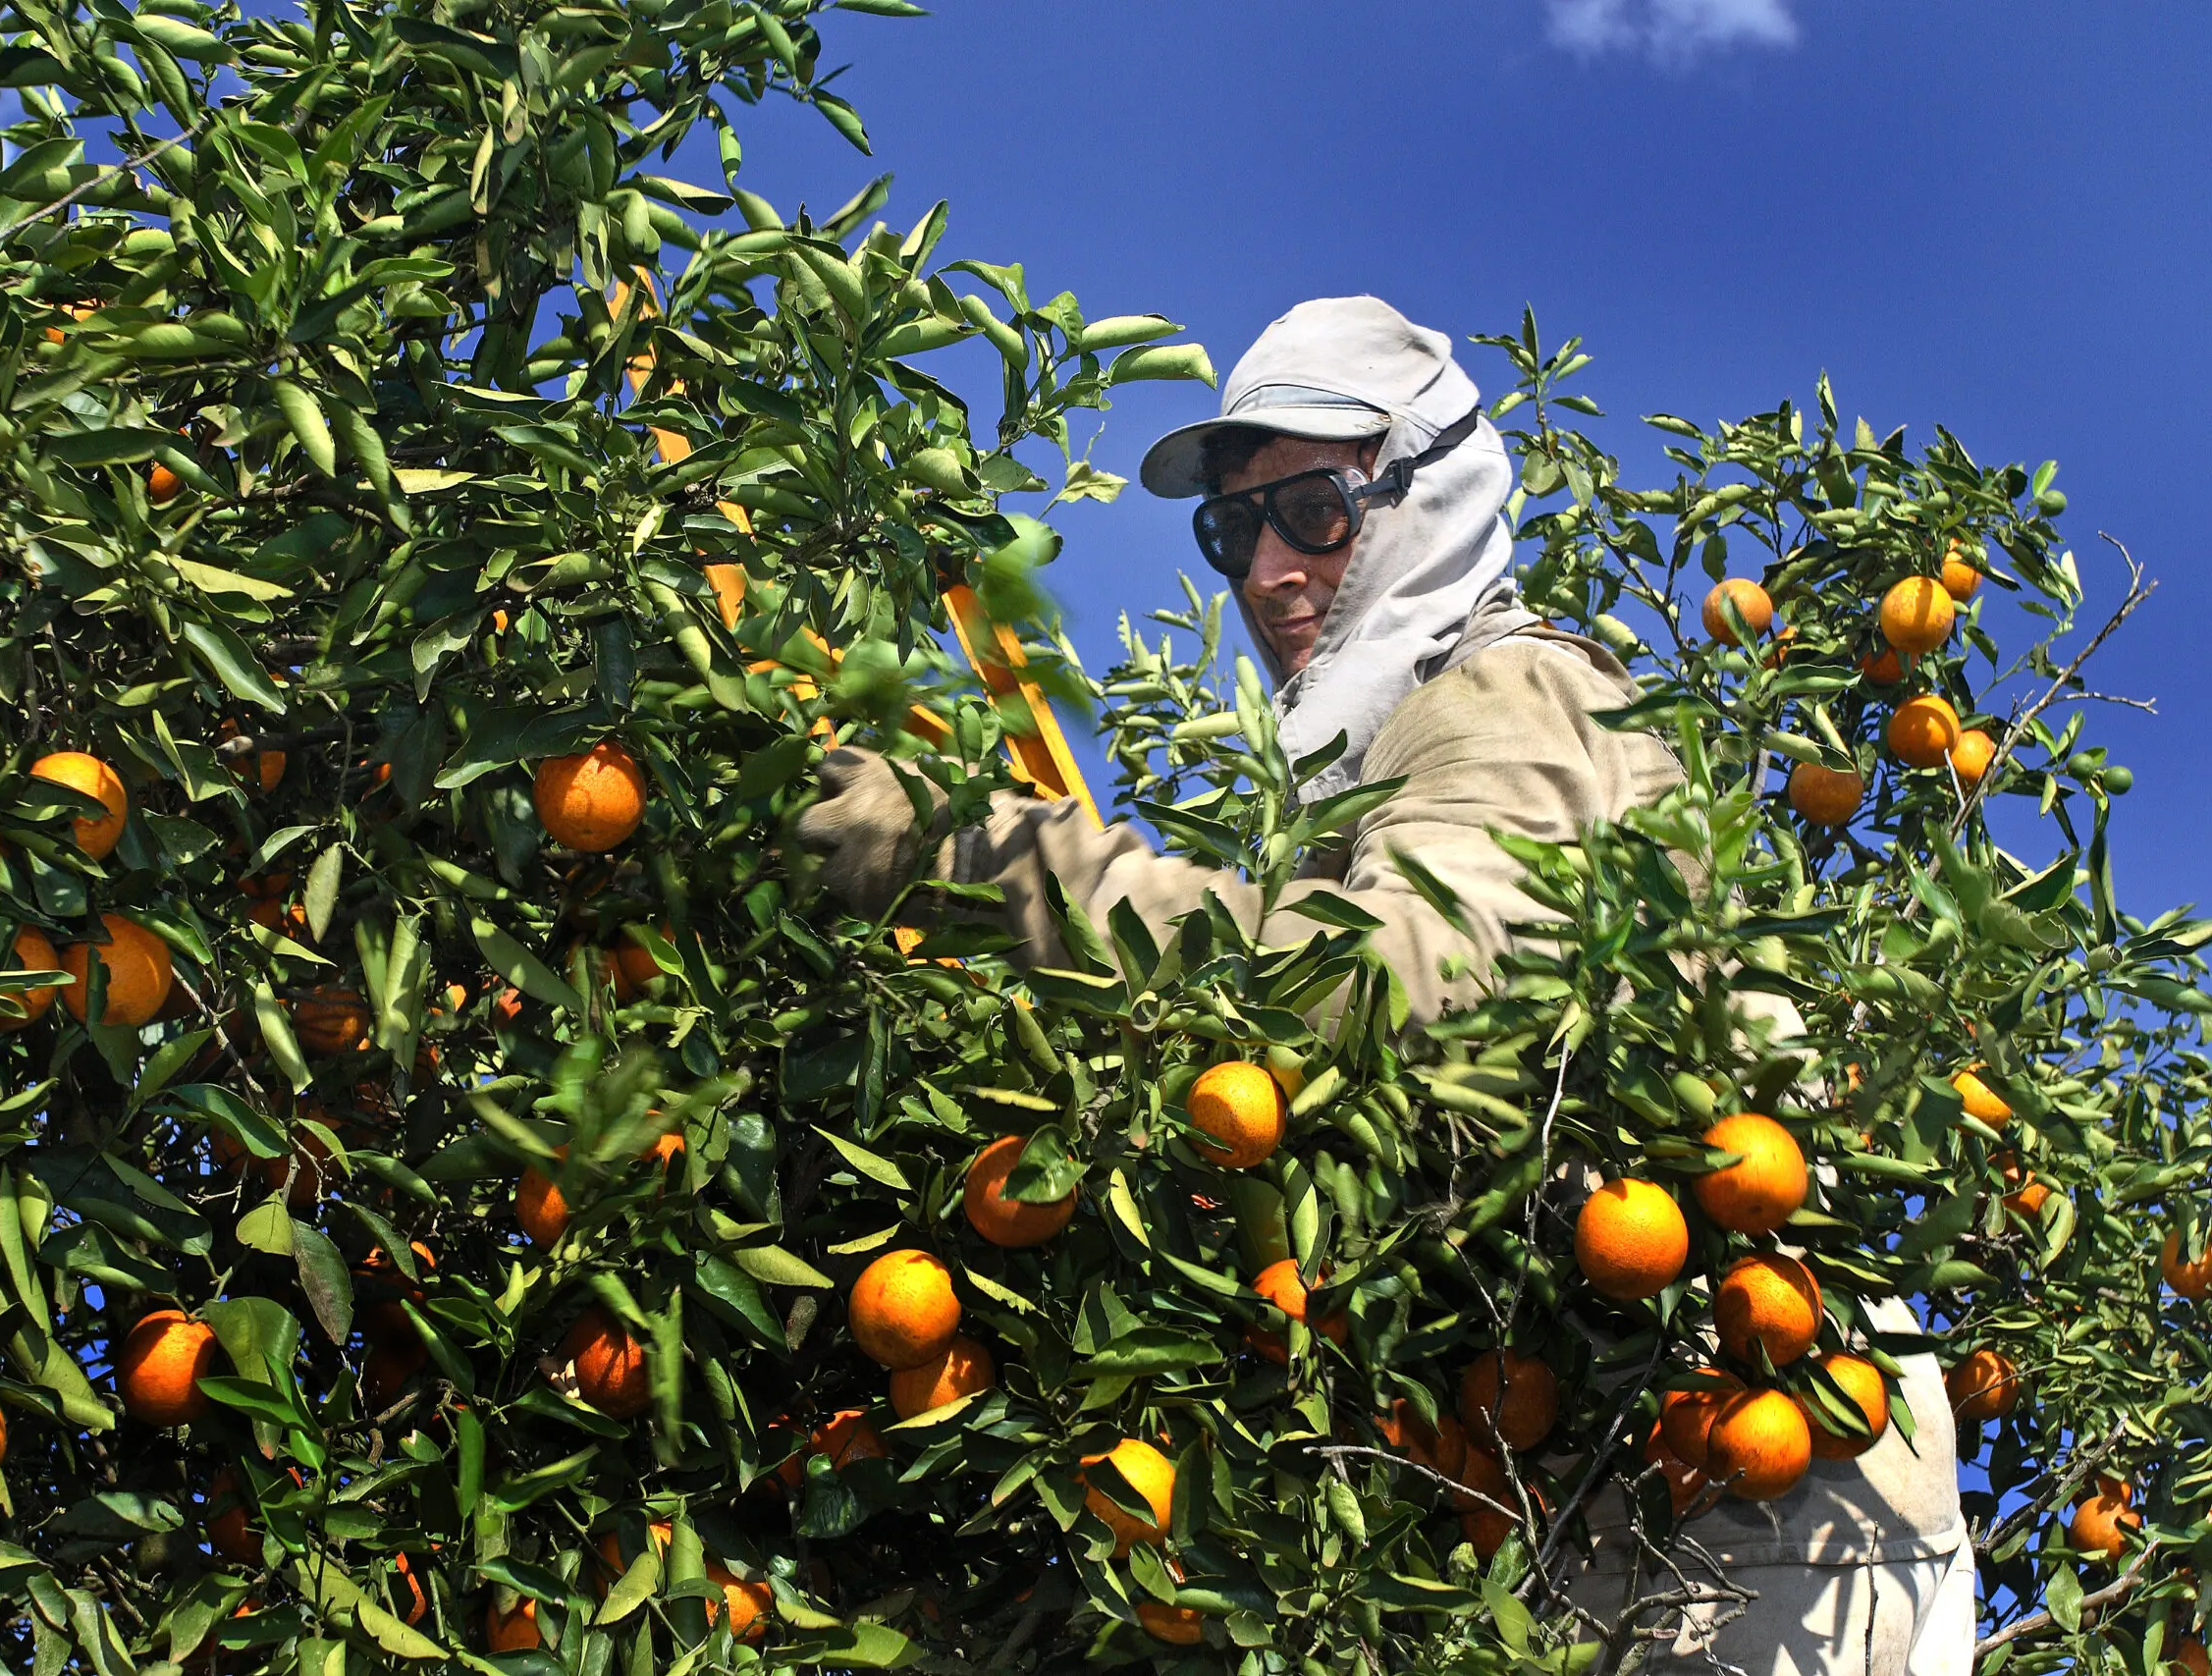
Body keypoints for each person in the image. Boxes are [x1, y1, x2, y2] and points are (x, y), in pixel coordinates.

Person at [798, 297, 1971, 1674]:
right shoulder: (1380, 771)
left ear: (1429, 490)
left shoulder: (1510, 690)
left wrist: (975, 854)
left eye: (1315, 507)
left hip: (1751, 1468)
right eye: (1233, 530)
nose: (1269, 568)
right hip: (1586, 1491)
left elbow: (1396, 986)